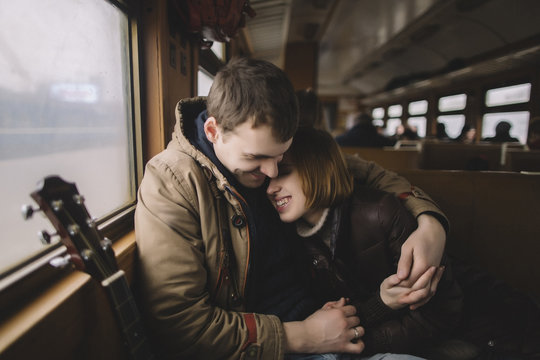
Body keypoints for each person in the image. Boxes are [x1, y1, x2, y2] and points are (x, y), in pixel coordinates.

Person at [134, 57, 448, 360]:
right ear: (214, 132)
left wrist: (430, 223)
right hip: (269, 345)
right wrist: (302, 337)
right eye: (255, 158)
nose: (271, 171)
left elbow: (370, 175)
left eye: (282, 158)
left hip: (328, 319)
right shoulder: (173, 182)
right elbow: (179, 325)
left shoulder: (272, 133)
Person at [267, 127, 540, 359]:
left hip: (487, 325)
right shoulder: (288, 238)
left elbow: (440, 312)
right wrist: (375, 309)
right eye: (267, 179)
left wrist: (349, 345)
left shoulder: (380, 213)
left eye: (285, 172)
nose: (270, 188)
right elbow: (343, 316)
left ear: (317, 168)